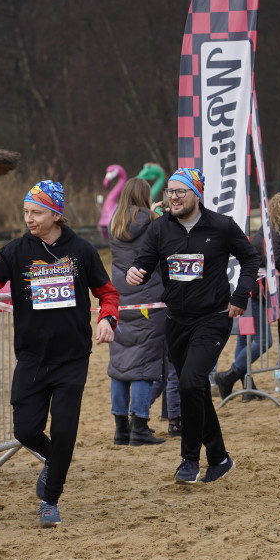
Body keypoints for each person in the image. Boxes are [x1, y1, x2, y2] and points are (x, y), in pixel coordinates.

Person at [0, 181, 119, 527]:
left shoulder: (83, 251)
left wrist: (108, 318)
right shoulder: (15, 251)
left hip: (72, 357)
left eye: (37, 212)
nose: (29, 218)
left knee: (64, 430)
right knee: (25, 429)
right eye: (26, 211)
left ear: (56, 214)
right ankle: (55, 460)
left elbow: (108, 293)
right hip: (31, 357)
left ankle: (50, 499)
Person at [126, 167, 259, 485]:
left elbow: (250, 259)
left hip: (213, 319)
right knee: (196, 387)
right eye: (169, 192)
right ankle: (219, 458)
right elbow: (145, 261)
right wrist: (136, 272)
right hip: (176, 322)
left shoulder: (221, 226)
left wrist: (240, 295)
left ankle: (189, 460)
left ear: (196, 194)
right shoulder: (160, 230)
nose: (172, 197)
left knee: (189, 382)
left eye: (179, 191)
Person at [215, 192, 280, 400]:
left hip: (250, 289)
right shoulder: (277, 230)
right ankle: (228, 376)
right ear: (277, 212)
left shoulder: (279, 230)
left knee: (246, 340)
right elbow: (277, 260)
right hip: (256, 292)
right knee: (263, 341)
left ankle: (247, 388)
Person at [107, 178, 166, 446]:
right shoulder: (153, 221)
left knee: (120, 364)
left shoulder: (114, 222)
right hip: (148, 299)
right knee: (144, 365)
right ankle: (139, 425)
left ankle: (121, 428)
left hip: (121, 299)